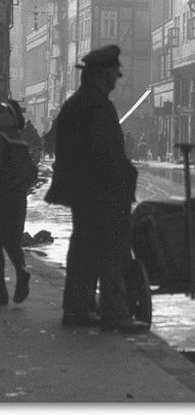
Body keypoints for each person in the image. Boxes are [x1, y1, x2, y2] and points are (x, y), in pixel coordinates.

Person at [44, 44, 147, 332]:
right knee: (112, 252)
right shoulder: (97, 106)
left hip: (84, 193)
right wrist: (126, 176)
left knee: (84, 251)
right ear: (103, 75)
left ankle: (77, 309)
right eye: (114, 73)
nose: (116, 79)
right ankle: (116, 313)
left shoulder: (76, 103)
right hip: (102, 192)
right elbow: (107, 154)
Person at [0, 98, 37, 305]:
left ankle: (1, 292)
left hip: (3, 196)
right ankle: (21, 272)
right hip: (17, 200)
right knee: (12, 242)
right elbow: (31, 172)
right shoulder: (21, 142)